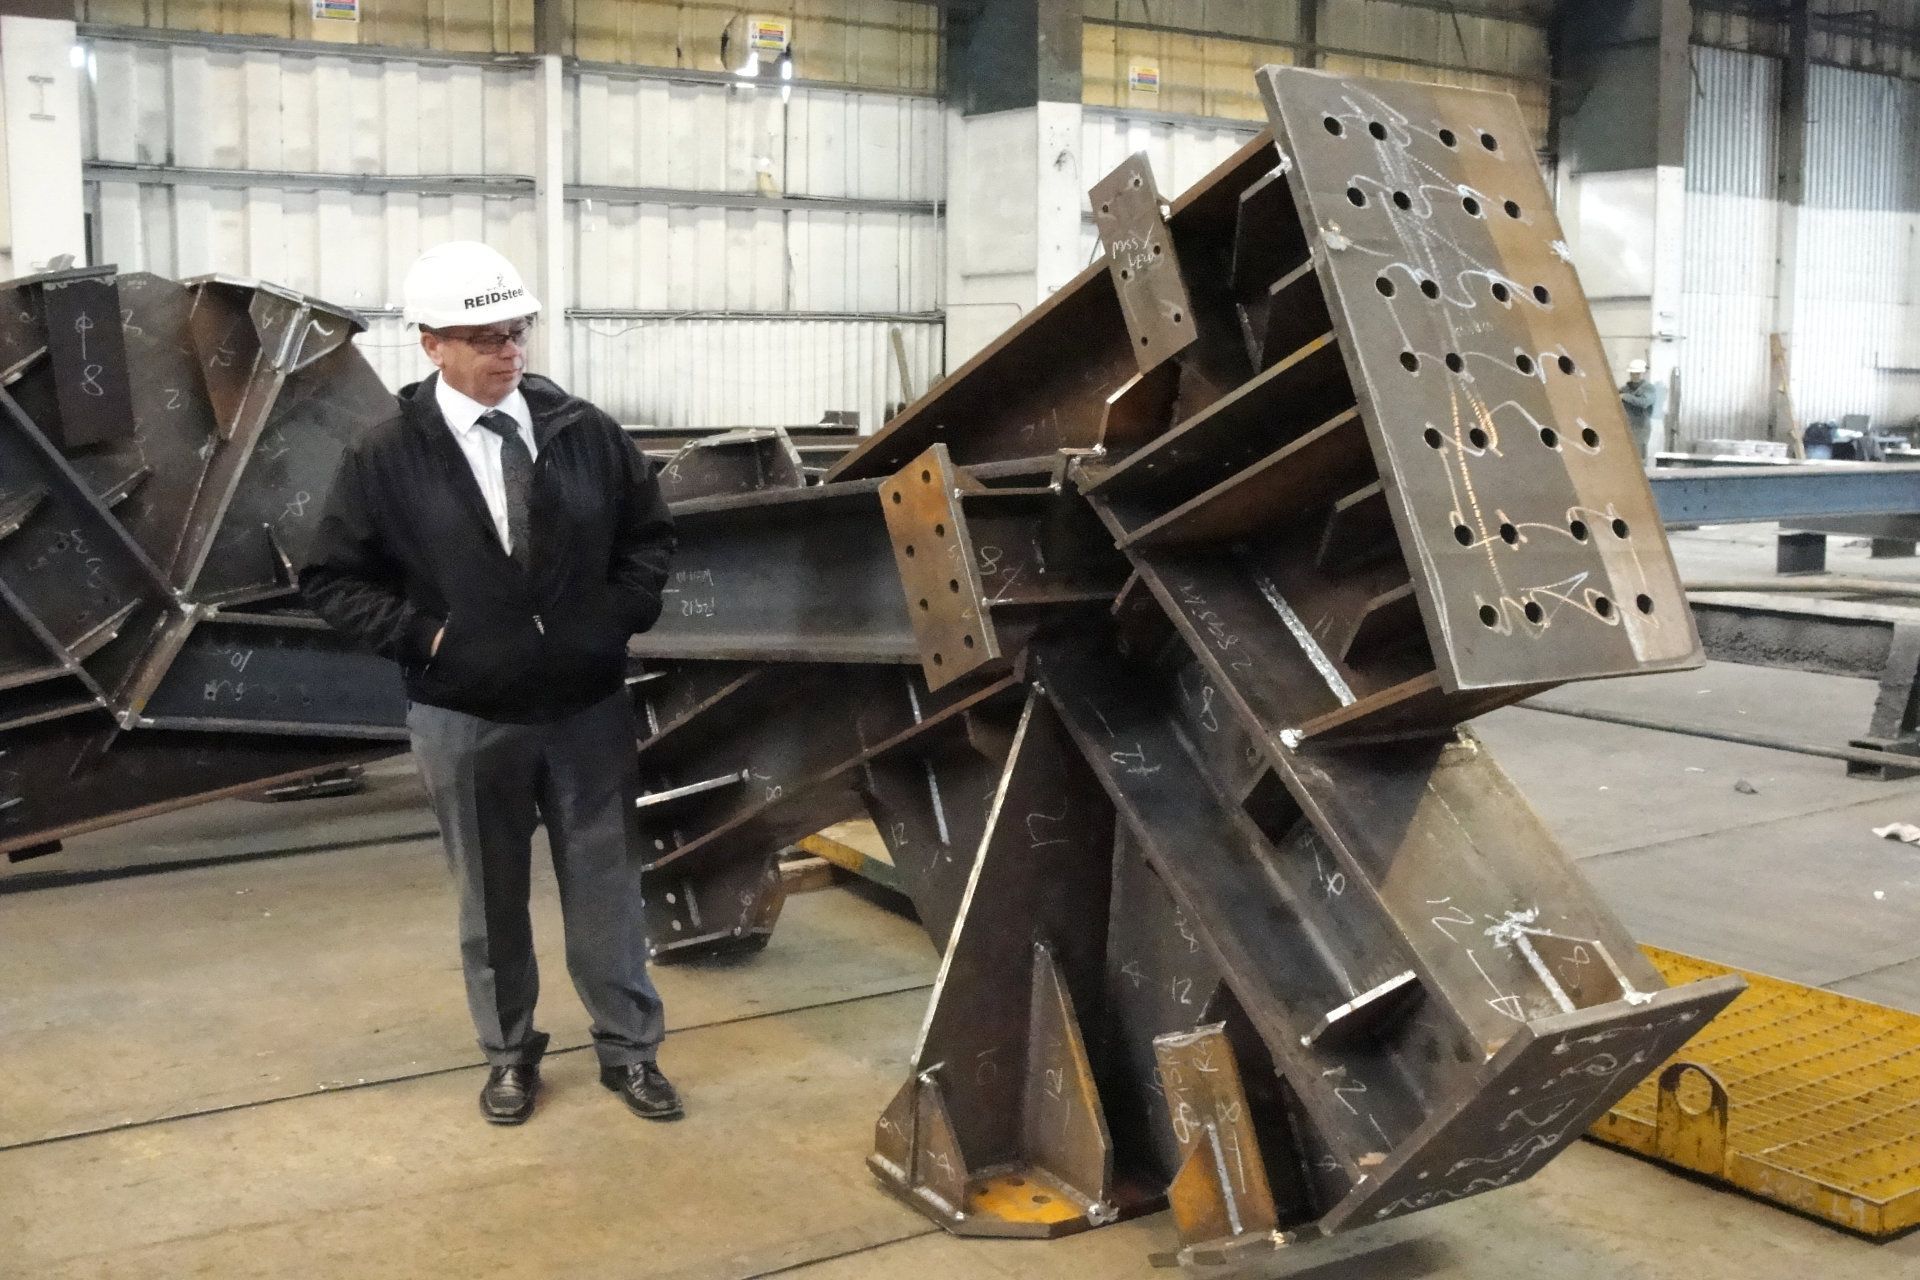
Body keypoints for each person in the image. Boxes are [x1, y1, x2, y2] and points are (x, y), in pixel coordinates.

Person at [300, 241, 680, 1126]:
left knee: (608, 894)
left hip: (585, 711)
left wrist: (612, 620)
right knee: (490, 903)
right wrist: (428, 638)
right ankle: (509, 1057)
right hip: (465, 718)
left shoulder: (585, 433)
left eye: (517, 332)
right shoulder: (386, 455)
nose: (509, 352)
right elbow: (331, 578)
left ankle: (631, 1052)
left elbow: (650, 536)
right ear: (431, 344)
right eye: (485, 338)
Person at [1619, 358, 1657, 459]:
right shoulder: (1624, 389)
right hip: (1626, 427)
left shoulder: (1649, 389)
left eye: (1638, 373)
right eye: (1633, 373)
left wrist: (1625, 397)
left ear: (1643, 374)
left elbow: (1644, 402)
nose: (1635, 376)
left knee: (1638, 458)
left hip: (1641, 428)